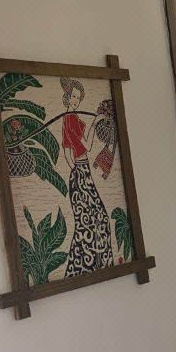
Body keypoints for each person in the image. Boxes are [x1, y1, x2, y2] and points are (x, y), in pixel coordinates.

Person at [60, 77, 113, 276]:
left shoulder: (68, 118)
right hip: (81, 173)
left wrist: (74, 169)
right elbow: (87, 146)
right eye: (73, 96)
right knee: (98, 218)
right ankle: (92, 264)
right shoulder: (71, 119)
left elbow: (67, 150)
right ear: (67, 97)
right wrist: (95, 123)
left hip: (79, 173)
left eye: (78, 97)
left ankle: (84, 266)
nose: (76, 100)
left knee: (88, 221)